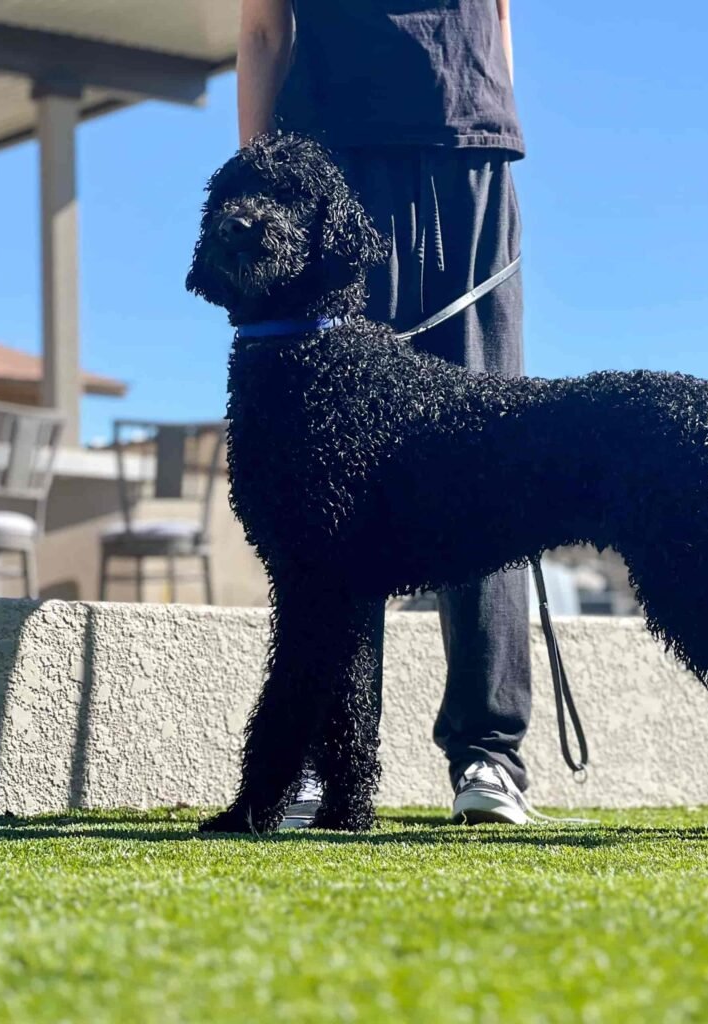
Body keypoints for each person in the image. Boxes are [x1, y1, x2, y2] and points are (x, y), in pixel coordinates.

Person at [236, 0, 534, 825]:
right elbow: (264, 30)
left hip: (470, 158)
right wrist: (266, 187)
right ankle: (324, 762)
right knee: (336, 481)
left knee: (488, 464)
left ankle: (490, 754)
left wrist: (484, 119)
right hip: (331, 166)